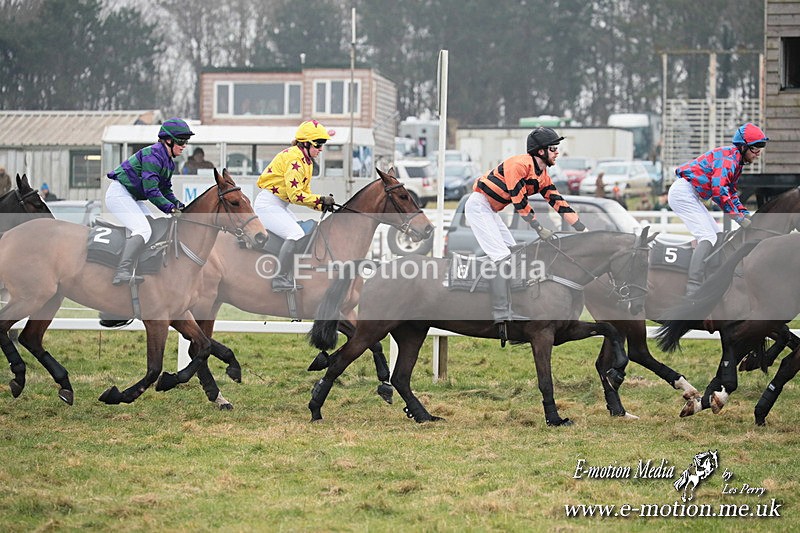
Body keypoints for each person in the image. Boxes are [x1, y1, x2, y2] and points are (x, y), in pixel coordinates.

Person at [465, 126, 587, 336]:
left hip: (491, 210)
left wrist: (582, 228)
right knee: (503, 258)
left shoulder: (542, 174)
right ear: (541, 151)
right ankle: (501, 312)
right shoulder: (518, 165)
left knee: (513, 253)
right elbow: (519, 201)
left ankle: (513, 303)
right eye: (553, 148)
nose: (557, 152)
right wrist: (539, 228)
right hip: (479, 206)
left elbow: (557, 201)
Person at [668, 122, 768, 296]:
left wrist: (744, 213)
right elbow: (718, 190)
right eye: (755, 148)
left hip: (690, 193)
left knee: (716, 234)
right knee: (707, 236)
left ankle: (709, 276)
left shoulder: (735, 161)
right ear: (743, 146)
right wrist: (738, 217)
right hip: (682, 193)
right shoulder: (729, 159)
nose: (758, 153)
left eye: (760, 148)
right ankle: (693, 286)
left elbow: (730, 192)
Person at [105, 117, 193, 285]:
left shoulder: (168, 162)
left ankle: (139, 267)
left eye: (186, 141)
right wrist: (170, 209)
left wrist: (179, 205)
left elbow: (165, 190)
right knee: (143, 229)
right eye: (181, 140)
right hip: (119, 194)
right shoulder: (153, 155)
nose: (184, 145)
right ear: (168, 140)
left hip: (131, 196)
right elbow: (152, 191)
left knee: (152, 227)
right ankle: (121, 271)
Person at [255, 120, 336, 292]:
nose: (321, 149)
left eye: (323, 144)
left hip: (279, 204)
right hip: (268, 205)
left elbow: (304, 193)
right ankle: (279, 278)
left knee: (302, 231)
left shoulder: (306, 161)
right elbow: (295, 195)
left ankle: (290, 273)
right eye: (318, 144)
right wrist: (320, 200)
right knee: (296, 233)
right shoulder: (294, 158)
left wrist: (322, 206)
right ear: (305, 143)